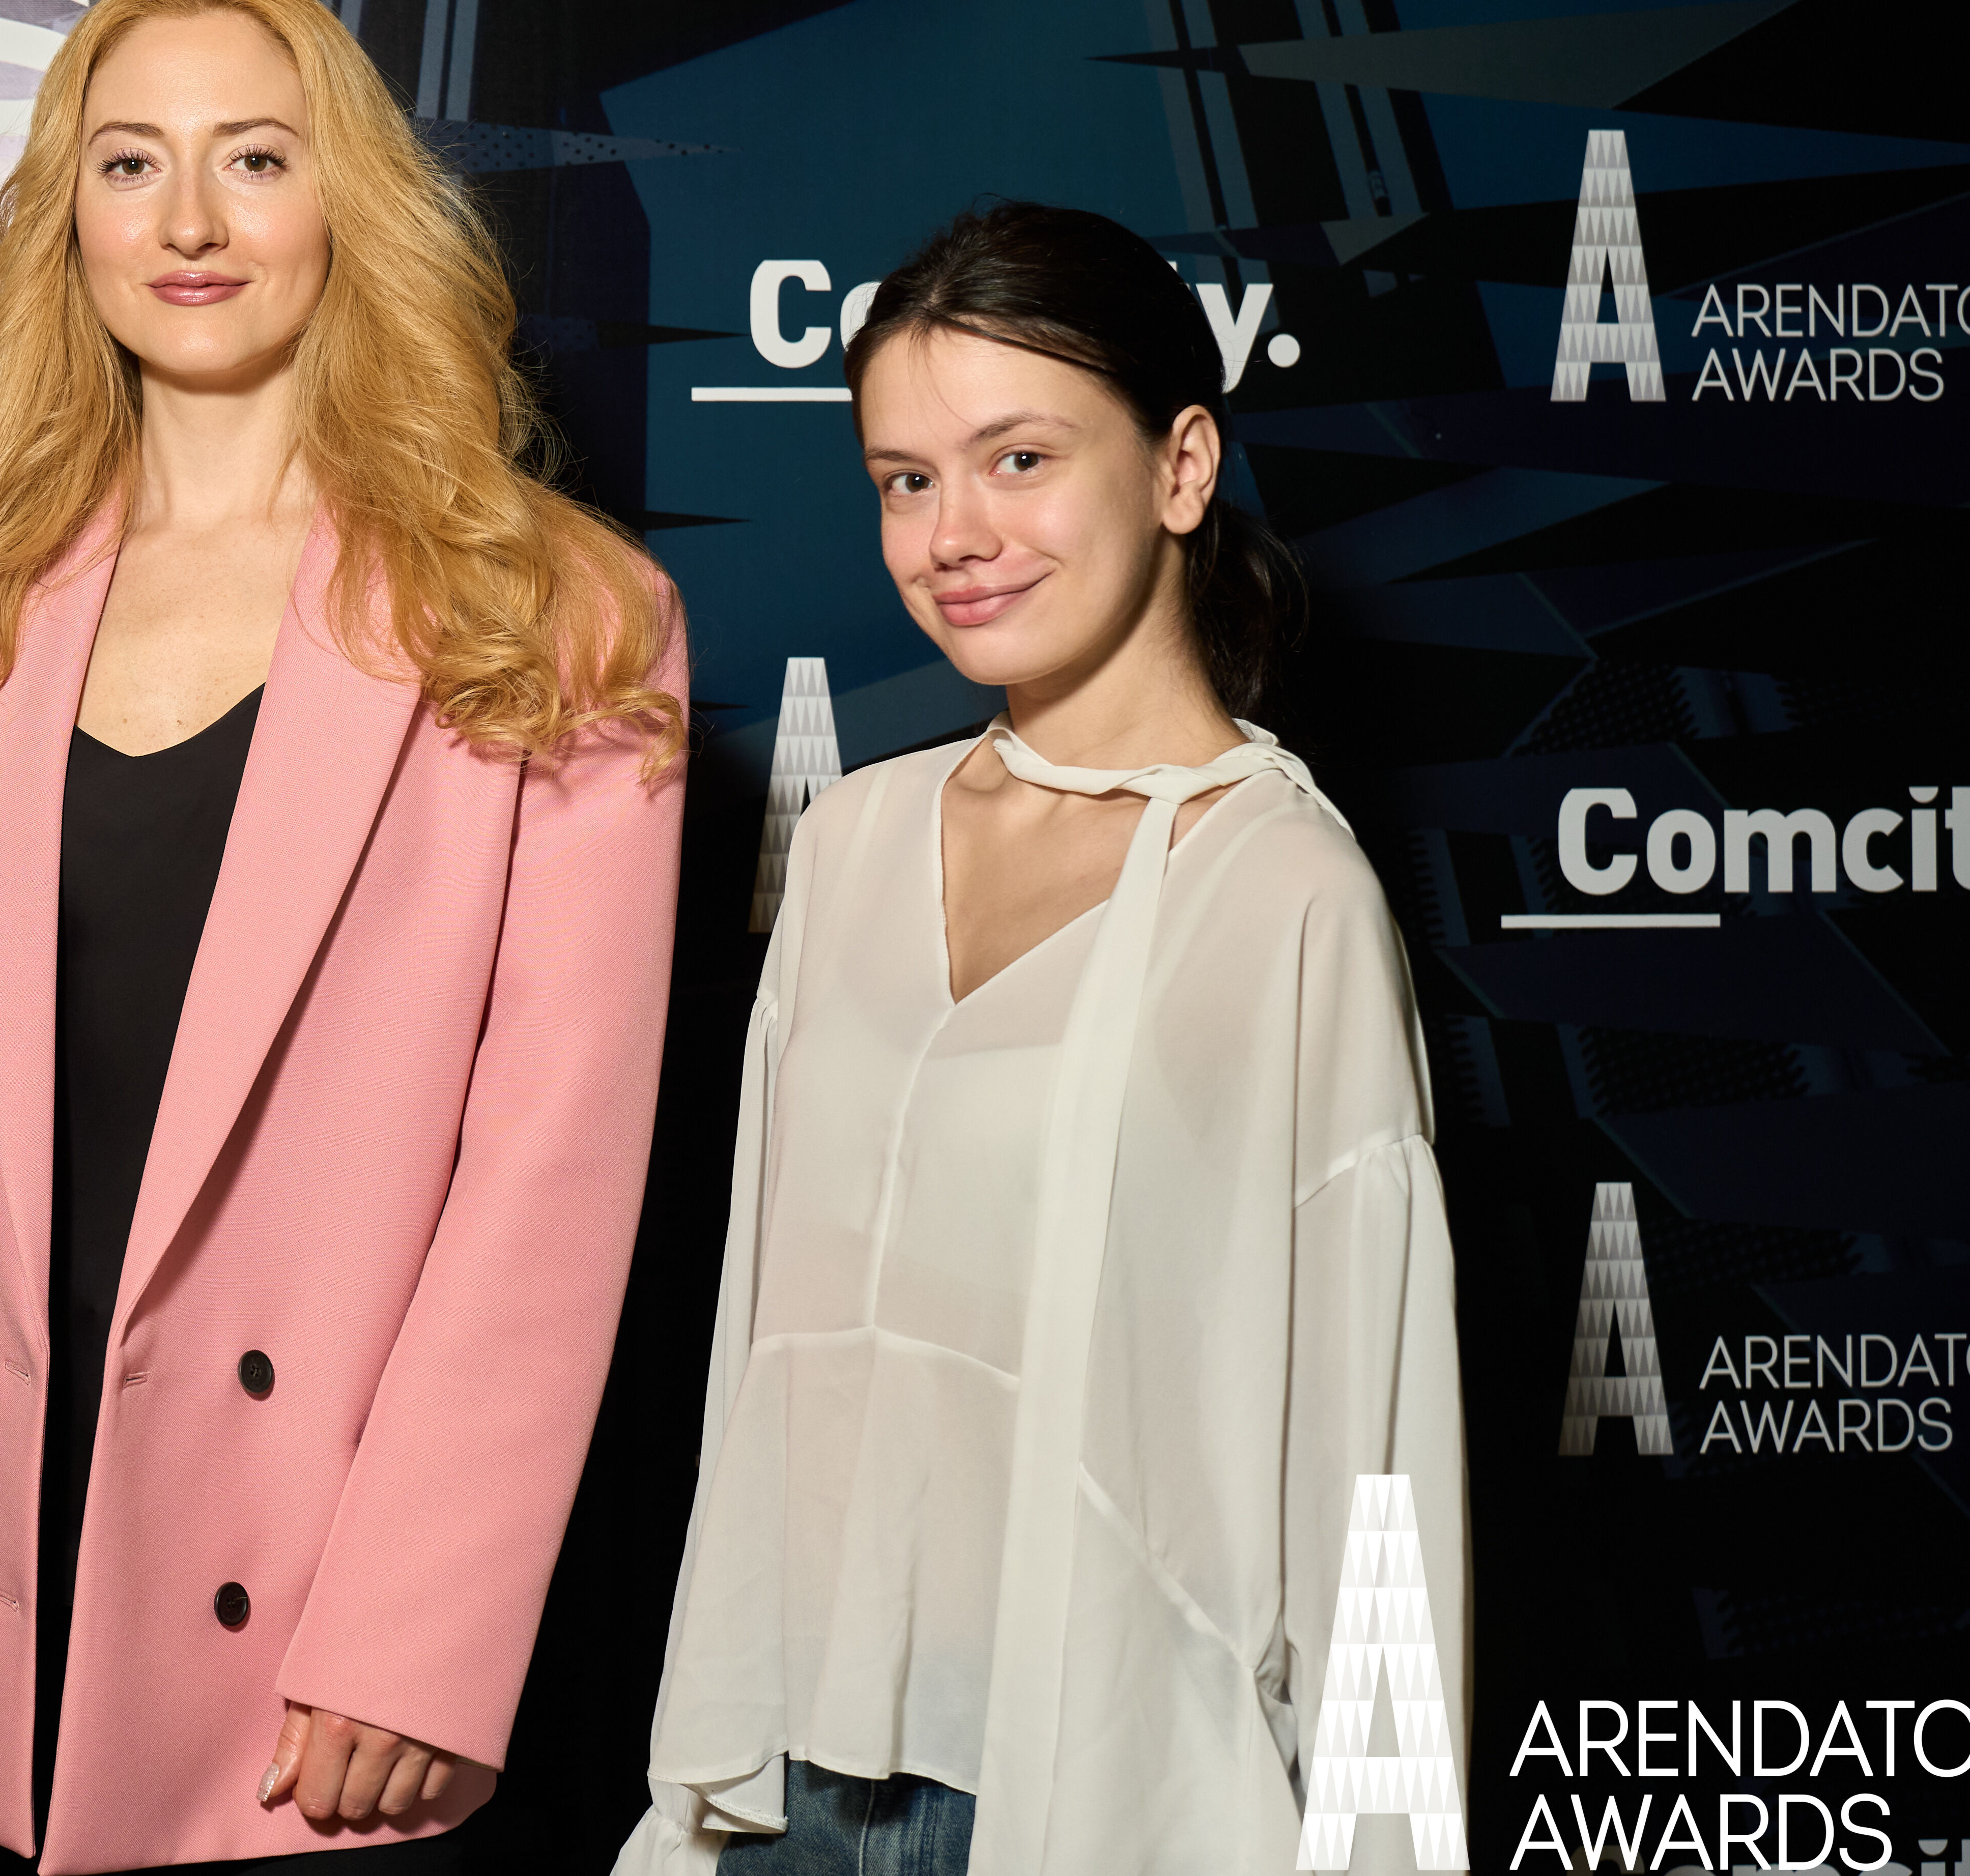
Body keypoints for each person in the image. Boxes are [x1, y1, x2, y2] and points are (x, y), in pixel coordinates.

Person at [0, 0, 688, 1875]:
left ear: (347, 200)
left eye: (254, 159)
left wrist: (423, 1632)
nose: (188, 220)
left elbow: (550, 1184)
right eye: (130, 164)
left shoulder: (549, 616)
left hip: (293, 1578)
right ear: (68, 222)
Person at [620, 204, 1466, 1876]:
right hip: (783, 1788)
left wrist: (1382, 1851)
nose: (954, 535)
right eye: (905, 480)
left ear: (1181, 466)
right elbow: (760, 1361)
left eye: (1019, 459)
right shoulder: (851, 844)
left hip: (1103, 1803)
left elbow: (1376, 1476)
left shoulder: (1286, 891)